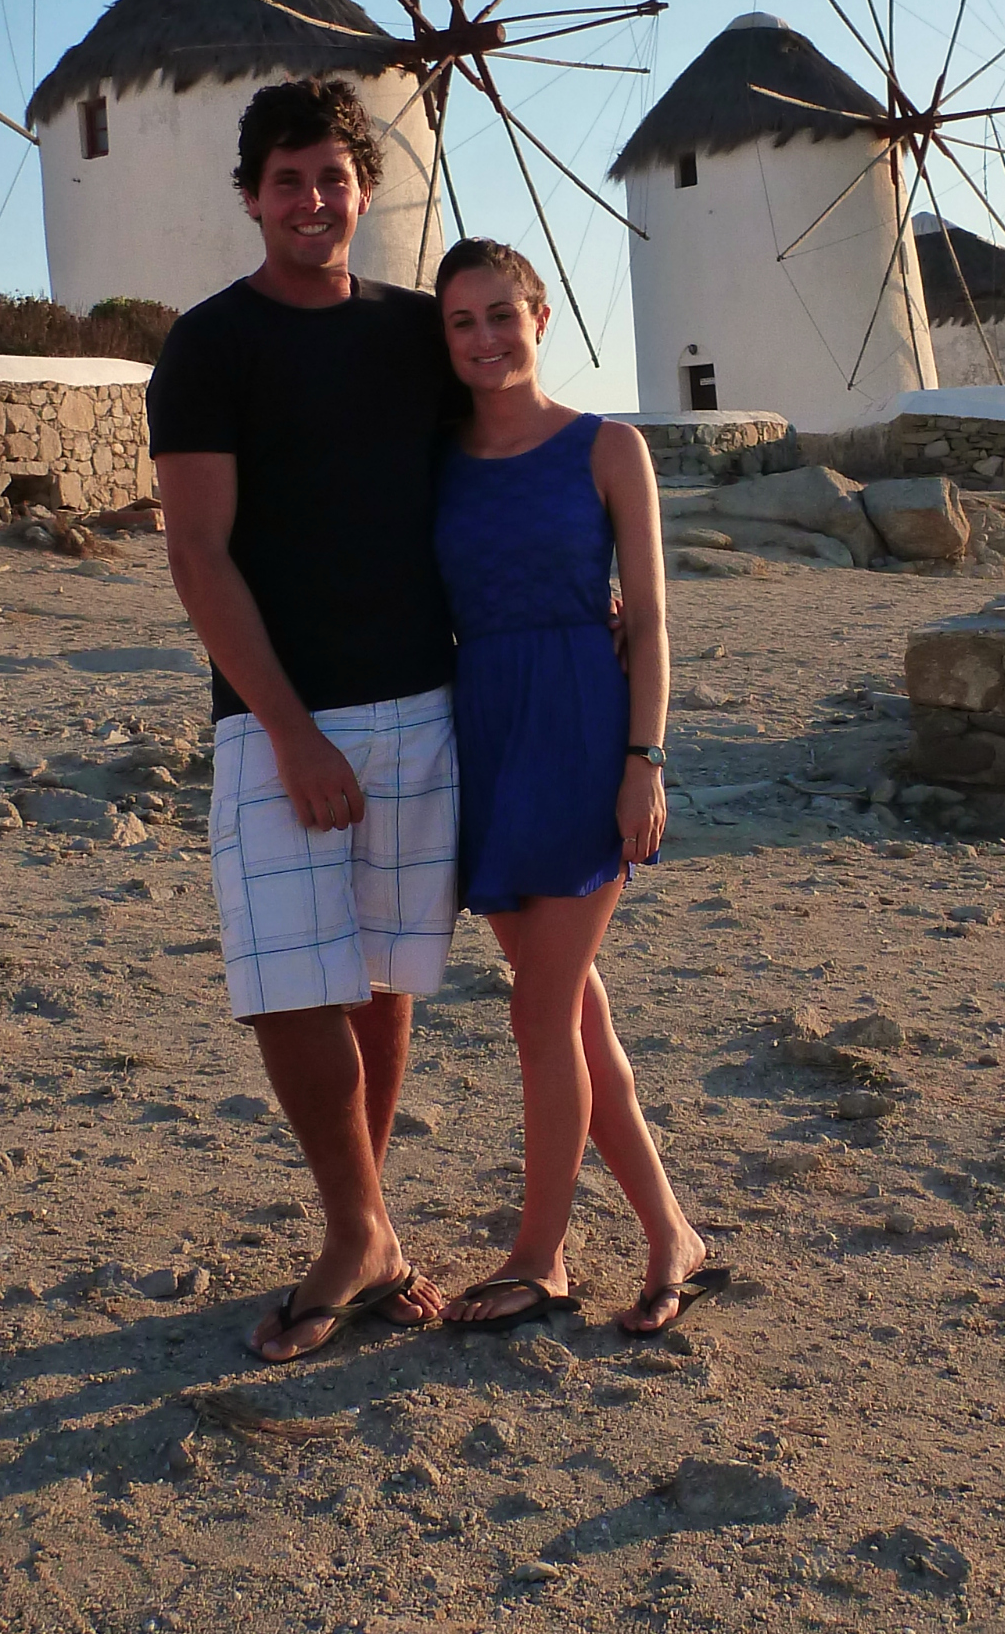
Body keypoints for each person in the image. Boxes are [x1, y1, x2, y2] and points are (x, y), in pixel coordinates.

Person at [147, 75, 458, 1362]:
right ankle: (359, 1228)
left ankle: (362, 1232)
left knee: (378, 977)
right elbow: (198, 552)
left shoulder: (417, 332)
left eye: (333, 175)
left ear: (365, 188)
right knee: (287, 984)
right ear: (251, 195)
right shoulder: (210, 345)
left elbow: (494, 471)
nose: (312, 200)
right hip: (277, 717)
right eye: (287, 180)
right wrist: (289, 730)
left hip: (422, 697)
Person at [431, 237, 722, 1337]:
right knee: (576, 1013)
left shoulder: (608, 445)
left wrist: (645, 758)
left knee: (540, 1008)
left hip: (581, 730)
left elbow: (649, 618)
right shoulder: (437, 457)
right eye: (461, 321)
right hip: (482, 729)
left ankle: (538, 1256)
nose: (485, 337)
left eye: (501, 313)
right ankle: (672, 1233)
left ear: (540, 316)